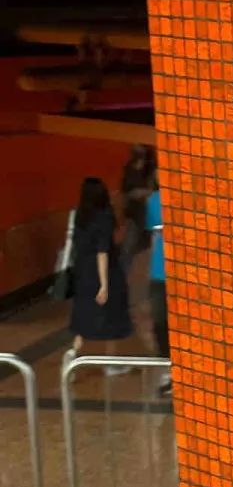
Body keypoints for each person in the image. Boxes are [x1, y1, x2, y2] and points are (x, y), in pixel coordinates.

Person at [67, 176, 133, 372]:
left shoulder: (80, 215)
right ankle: (111, 363)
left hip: (83, 273)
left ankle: (72, 355)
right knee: (112, 316)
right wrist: (104, 285)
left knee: (84, 316)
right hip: (105, 272)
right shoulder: (104, 216)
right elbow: (102, 252)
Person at [146, 185, 171, 395]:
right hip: (159, 273)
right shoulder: (154, 199)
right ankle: (168, 371)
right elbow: (154, 236)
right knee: (160, 323)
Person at [119, 144, 157, 270]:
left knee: (144, 244)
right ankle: (121, 272)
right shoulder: (130, 168)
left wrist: (143, 192)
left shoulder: (152, 169)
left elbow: (157, 190)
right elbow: (125, 190)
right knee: (128, 247)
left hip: (148, 214)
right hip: (135, 214)